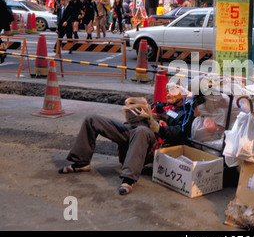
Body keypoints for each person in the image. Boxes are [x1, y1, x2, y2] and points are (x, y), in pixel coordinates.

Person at [58, 83, 195, 196]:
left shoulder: (186, 112)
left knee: (141, 131)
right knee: (92, 119)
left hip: (155, 141)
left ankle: (129, 179)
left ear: (183, 94)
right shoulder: (162, 105)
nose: (168, 94)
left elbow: (181, 133)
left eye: (172, 91)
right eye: (167, 90)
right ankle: (81, 162)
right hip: (135, 132)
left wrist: (158, 127)